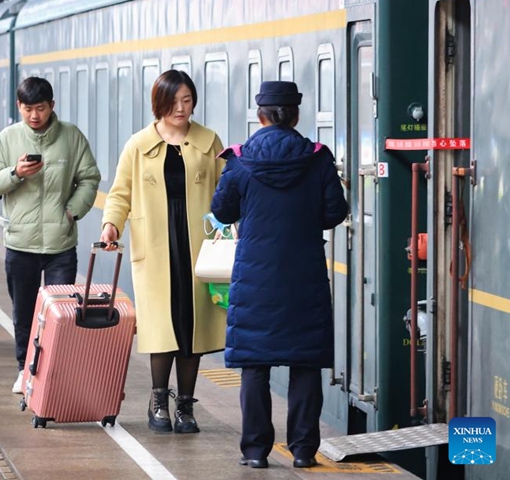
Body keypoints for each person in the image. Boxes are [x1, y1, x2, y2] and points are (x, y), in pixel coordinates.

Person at [210, 81, 348, 468]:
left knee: (255, 365)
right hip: (304, 275)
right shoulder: (317, 158)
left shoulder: (239, 160)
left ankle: (255, 453)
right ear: (297, 115)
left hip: (255, 280)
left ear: (261, 116)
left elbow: (222, 211)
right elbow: (335, 212)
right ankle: (303, 451)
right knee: (304, 363)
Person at [100, 70, 226, 434]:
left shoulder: (208, 140)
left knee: (192, 325)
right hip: (155, 245)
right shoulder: (137, 145)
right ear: (159, 104)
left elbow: (228, 188)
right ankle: (159, 401)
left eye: (187, 101)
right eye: (174, 102)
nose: (182, 108)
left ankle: (185, 406)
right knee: (161, 325)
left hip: (199, 246)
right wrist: (111, 225)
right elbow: (120, 193)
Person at [0, 77, 100, 393]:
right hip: (21, 241)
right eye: (28, 109)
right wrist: (15, 174)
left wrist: (72, 210)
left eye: (41, 108)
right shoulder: (8, 139)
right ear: (19, 107)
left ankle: (53, 372)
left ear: (52, 106)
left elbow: (89, 178)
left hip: (61, 242)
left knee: (61, 312)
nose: (34, 115)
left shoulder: (71, 137)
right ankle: (25, 368)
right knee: (24, 312)